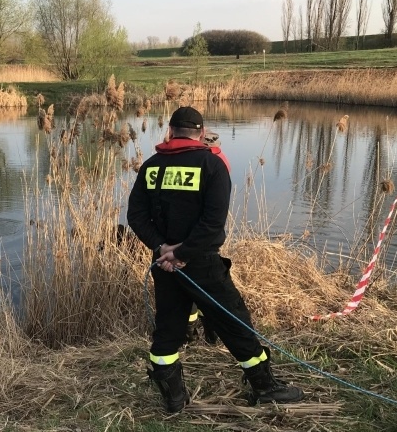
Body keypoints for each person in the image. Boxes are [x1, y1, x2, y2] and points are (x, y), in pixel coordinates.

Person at [127, 106, 304, 413]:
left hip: (164, 264)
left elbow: (136, 216)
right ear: (201, 132)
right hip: (201, 264)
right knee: (235, 322)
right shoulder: (212, 164)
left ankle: (174, 398)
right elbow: (212, 223)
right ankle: (265, 388)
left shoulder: (151, 166)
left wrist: (162, 248)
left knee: (167, 330)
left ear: (170, 131)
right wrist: (181, 253)